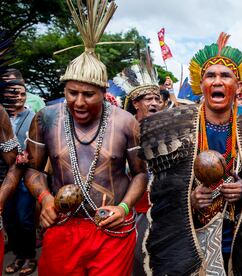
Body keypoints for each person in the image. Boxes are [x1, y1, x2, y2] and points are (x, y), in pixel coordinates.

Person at [140, 32, 242, 275]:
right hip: (193, 238)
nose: (217, 81)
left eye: (225, 75)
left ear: (237, 86)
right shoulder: (175, 128)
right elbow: (162, 188)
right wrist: (190, 201)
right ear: (201, 84)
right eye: (210, 76)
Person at [23, 1, 147, 275]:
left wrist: (124, 207)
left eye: (88, 94)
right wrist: (44, 198)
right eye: (71, 92)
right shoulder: (45, 118)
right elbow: (32, 169)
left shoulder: (126, 122)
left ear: (104, 92)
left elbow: (140, 174)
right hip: (63, 226)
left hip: (111, 230)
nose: (78, 102)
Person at [113, 58, 161, 276]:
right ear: (136, 103)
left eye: (157, 98)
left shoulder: (167, 130)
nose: (155, 103)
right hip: (132, 209)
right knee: (136, 262)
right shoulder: (122, 130)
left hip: (163, 209)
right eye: (149, 98)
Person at [1, 78, 37, 275]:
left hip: (24, 176)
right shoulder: (1, 115)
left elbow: (37, 145)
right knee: (10, 218)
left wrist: (26, 154)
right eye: (15, 93)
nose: (20, 98)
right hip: (3, 176)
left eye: (23, 94)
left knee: (24, 218)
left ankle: (30, 256)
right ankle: (18, 256)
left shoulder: (33, 117)